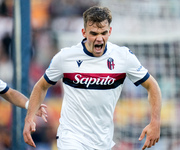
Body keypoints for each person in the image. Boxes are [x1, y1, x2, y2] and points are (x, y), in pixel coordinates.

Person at [23, 6, 162, 150]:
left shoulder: (123, 57)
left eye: (104, 33)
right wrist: (29, 118)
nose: (99, 38)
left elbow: (152, 86)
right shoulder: (65, 57)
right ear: (84, 32)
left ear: (110, 32)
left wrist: (155, 122)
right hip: (71, 137)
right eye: (94, 33)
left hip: (103, 141)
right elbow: (41, 86)